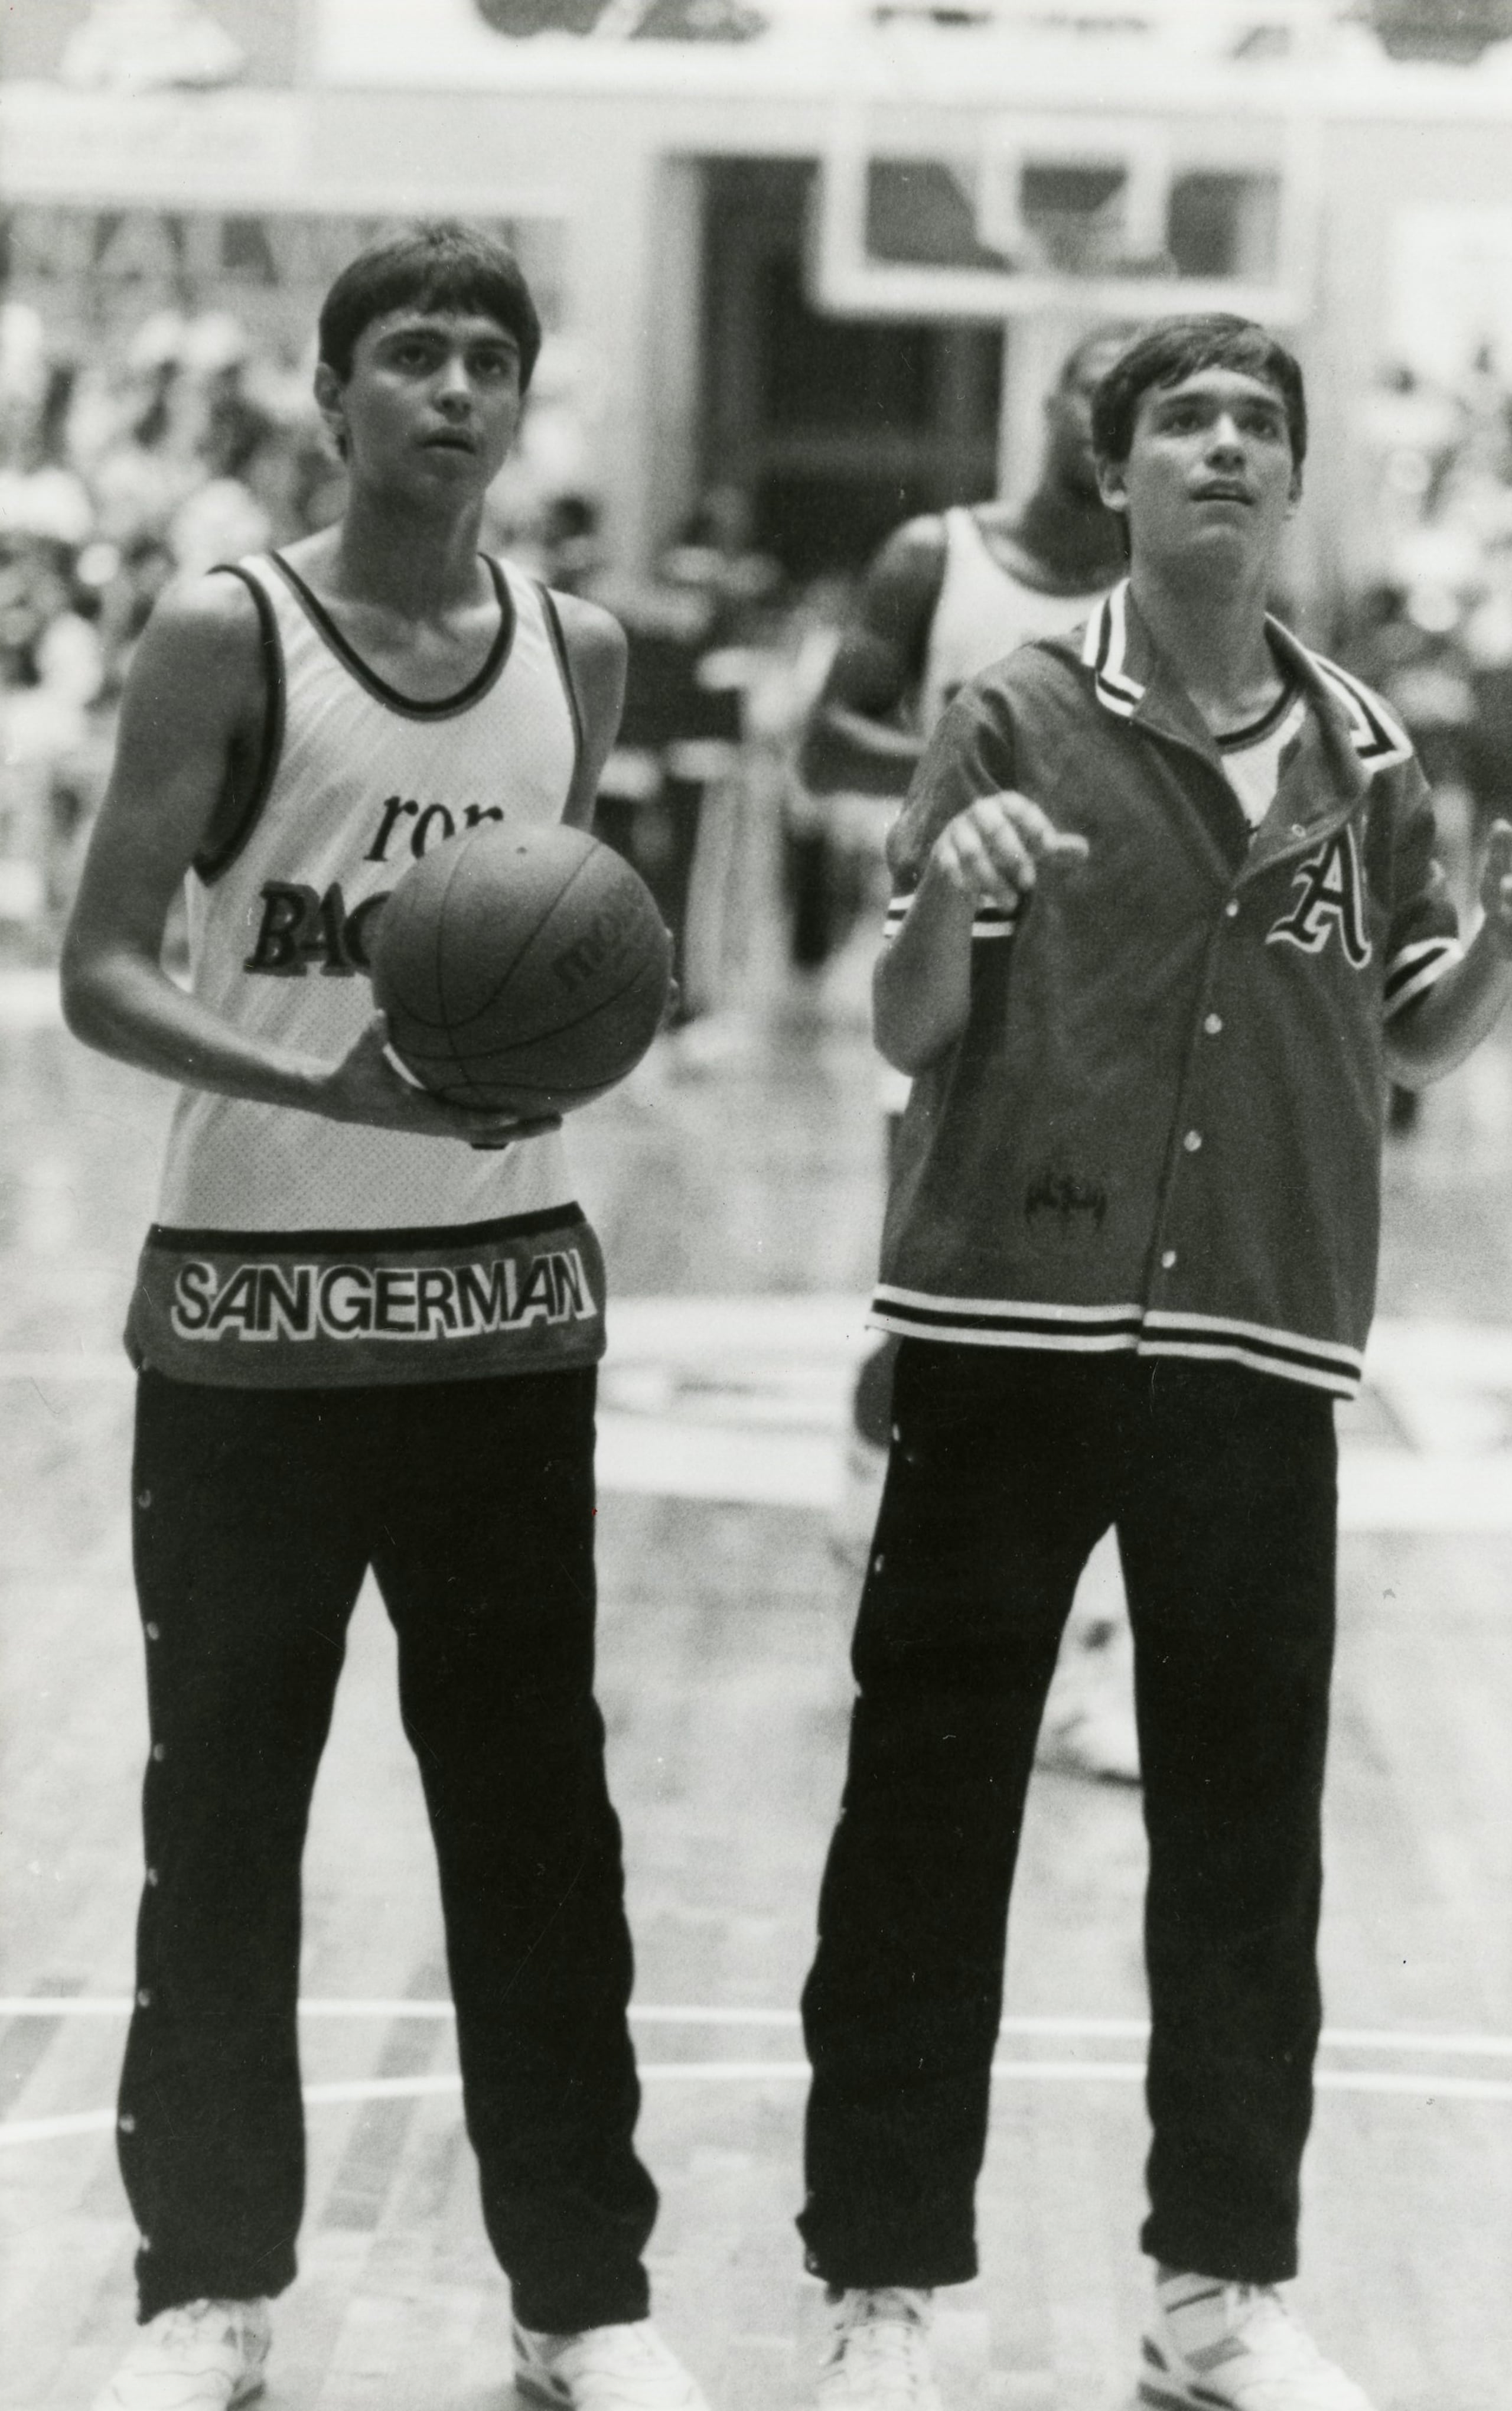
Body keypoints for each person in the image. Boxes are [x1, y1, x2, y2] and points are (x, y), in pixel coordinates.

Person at [796, 314, 1512, 2411]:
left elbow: (1403, 1035)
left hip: (1257, 1338)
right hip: (1005, 1321)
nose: (1222, 444)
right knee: (925, 1826)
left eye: (1257, 422)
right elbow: (906, 1025)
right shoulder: (1010, 708)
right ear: (1115, 475)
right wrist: (950, 898)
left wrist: (1502, 965)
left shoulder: (1371, 754)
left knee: (1244, 1840)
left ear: (1294, 482)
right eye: (1183, 419)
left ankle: (1219, 2293)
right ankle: (881, 2293)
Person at [63, 222, 712, 2411]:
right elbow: (102, 968)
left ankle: (580, 2302)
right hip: (247, 1316)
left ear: (523, 407)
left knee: (539, 1819)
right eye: (409, 356)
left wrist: (609, 1007)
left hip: (504, 1310)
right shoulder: (216, 630)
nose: (452, 389)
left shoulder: (582, 653)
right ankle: (207, 2295)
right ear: (330, 400)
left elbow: (565, 941)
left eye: (487, 360)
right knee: (225, 1811)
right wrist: (309, 1073)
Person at [797, 326, 1140, 1784]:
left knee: (1113, 1338)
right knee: (934, 1322)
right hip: (945, 1012)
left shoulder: (1180, 584)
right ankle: (874, 1505)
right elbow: (823, 747)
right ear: (1049, 405)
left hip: (1114, 1012)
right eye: (1097, 391)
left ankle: (1093, 1662)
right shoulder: (937, 559)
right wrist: (973, 781)